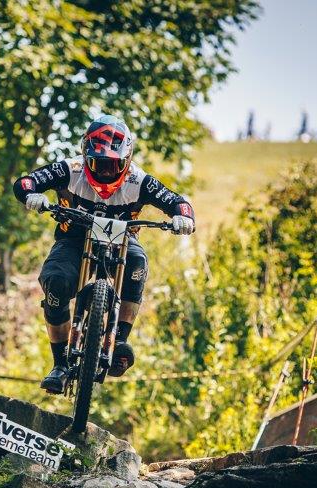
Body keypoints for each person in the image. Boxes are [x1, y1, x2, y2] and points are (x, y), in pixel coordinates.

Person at [12, 115, 195, 393]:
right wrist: (31, 195)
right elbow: (26, 182)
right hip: (73, 240)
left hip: (122, 241)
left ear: (127, 159)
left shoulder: (139, 180)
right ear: (86, 157)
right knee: (56, 281)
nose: (107, 173)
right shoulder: (70, 169)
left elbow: (177, 202)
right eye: (99, 164)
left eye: (113, 165)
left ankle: (119, 339)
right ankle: (60, 364)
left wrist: (184, 217)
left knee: (138, 263)